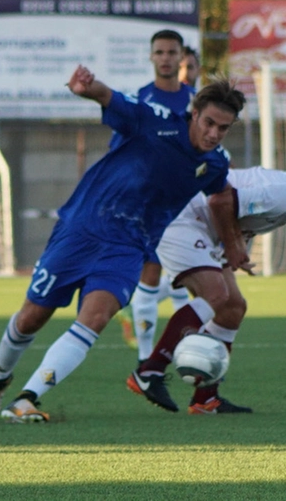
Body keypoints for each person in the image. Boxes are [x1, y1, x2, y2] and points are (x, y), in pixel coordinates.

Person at [0, 67, 245, 422]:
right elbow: (109, 98)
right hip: (82, 229)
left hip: (130, 247)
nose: (213, 134)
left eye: (222, 128)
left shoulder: (214, 162)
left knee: (96, 318)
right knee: (31, 317)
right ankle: (1, 377)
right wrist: (85, 88)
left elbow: (221, 195)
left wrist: (233, 243)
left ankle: (26, 399)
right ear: (194, 113)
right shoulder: (155, 119)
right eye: (209, 122)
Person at [129, 167, 286, 414]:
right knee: (215, 294)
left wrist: (235, 248)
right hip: (182, 218)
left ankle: (205, 399)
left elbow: (236, 214)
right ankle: (149, 370)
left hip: (203, 229)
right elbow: (219, 200)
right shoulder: (283, 195)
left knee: (233, 308)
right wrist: (233, 245)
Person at [116, 31, 195, 358]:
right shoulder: (140, 102)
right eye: (159, 52)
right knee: (151, 272)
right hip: (149, 202)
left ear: (181, 58)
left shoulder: (196, 101)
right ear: (151, 57)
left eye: (171, 52)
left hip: (188, 200)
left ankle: (182, 351)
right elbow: (122, 152)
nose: (165, 58)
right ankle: (145, 360)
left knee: (186, 276)